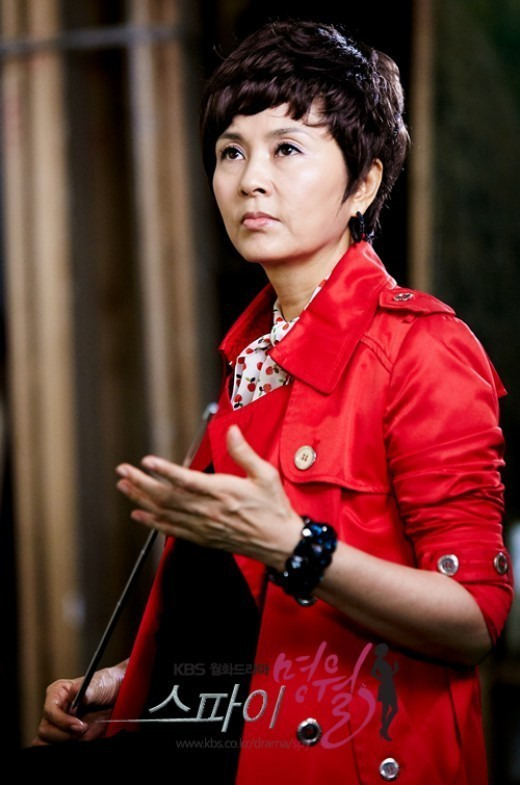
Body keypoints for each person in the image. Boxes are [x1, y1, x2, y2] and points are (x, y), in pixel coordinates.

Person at [33, 20, 513, 783]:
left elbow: (475, 618)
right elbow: (240, 610)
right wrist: (140, 684)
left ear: (364, 183)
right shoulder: (250, 354)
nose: (250, 178)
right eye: (231, 151)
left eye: (287, 148)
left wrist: (299, 547)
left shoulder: (424, 348)